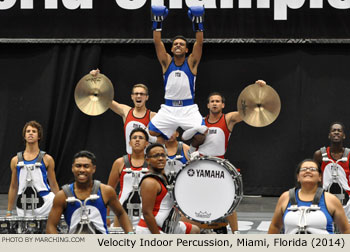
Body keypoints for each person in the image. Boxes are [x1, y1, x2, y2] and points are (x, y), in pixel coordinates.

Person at [148, 5, 207, 154]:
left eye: (182, 44)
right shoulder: (166, 62)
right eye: (175, 44)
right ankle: (162, 153)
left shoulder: (191, 62)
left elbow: (199, 43)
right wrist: (158, 22)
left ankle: (190, 152)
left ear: (187, 50)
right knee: (151, 132)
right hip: (168, 108)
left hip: (188, 109)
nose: (178, 45)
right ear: (172, 49)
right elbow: (157, 42)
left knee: (202, 135)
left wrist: (198, 23)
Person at [46, 150, 133, 234]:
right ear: (72, 168)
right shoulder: (62, 195)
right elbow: (51, 226)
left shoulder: (106, 191)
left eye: (86, 166)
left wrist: (130, 234)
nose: (82, 170)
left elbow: (121, 213)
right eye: (78, 166)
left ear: (93, 169)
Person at [268, 159, 350, 234]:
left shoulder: (331, 200)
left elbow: (346, 230)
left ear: (320, 177)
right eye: (303, 169)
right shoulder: (285, 197)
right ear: (298, 177)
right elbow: (275, 226)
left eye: (312, 169)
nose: (308, 171)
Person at [136, 143, 200, 234]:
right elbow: (147, 213)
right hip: (151, 229)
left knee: (195, 230)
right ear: (148, 160)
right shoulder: (150, 182)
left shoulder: (163, 177)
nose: (161, 158)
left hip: (169, 225)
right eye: (156, 156)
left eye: (163, 155)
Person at [90, 69, 156, 154]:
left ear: (147, 97)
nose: (139, 96)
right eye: (136, 94)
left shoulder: (153, 116)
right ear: (132, 96)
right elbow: (105, 98)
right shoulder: (126, 111)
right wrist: (97, 79)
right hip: (129, 161)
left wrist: (150, 138)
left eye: (142, 94)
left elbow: (163, 140)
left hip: (146, 160)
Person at [7, 120, 59, 217]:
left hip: (46, 204)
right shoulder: (15, 160)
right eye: (28, 131)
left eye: (34, 131)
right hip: (23, 205)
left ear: (39, 136)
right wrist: (9, 211)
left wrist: (62, 206)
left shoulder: (47, 159)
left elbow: (53, 184)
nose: (31, 133)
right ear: (24, 136)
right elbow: (13, 186)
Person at [107, 128, 149, 228]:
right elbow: (109, 190)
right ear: (130, 143)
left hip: (145, 212)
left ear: (146, 143)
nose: (137, 140)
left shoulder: (152, 163)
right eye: (134, 138)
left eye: (141, 138)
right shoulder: (120, 162)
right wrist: (107, 215)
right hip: (122, 212)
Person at [313, 122, 350, 217]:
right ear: (329, 135)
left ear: (344, 136)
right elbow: (314, 178)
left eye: (339, 131)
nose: (336, 132)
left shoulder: (349, 155)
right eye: (334, 130)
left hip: (347, 199)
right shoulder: (319, 154)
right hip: (325, 196)